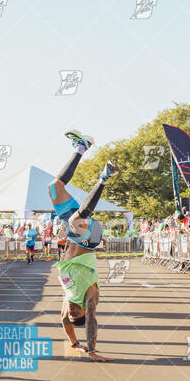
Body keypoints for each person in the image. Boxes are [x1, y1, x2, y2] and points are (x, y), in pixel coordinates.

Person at [48, 129, 119, 362]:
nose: (70, 311)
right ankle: (105, 177)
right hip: (90, 237)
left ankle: (81, 147)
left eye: (70, 313)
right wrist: (92, 349)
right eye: (73, 312)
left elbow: (63, 321)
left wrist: (74, 344)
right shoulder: (89, 297)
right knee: (75, 220)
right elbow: (91, 319)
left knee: (55, 187)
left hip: (73, 234)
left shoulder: (68, 298)